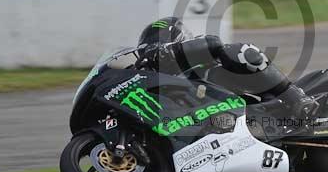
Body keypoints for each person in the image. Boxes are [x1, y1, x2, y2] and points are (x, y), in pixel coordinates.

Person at [135, 17, 318, 128]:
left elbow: (214, 42)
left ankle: (296, 98)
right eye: (146, 54)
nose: (151, 59)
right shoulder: (162, 86)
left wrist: (169, 52)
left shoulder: (201, 62)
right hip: (209, 129)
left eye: (154, 50)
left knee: (241, 52)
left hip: (250, 107)